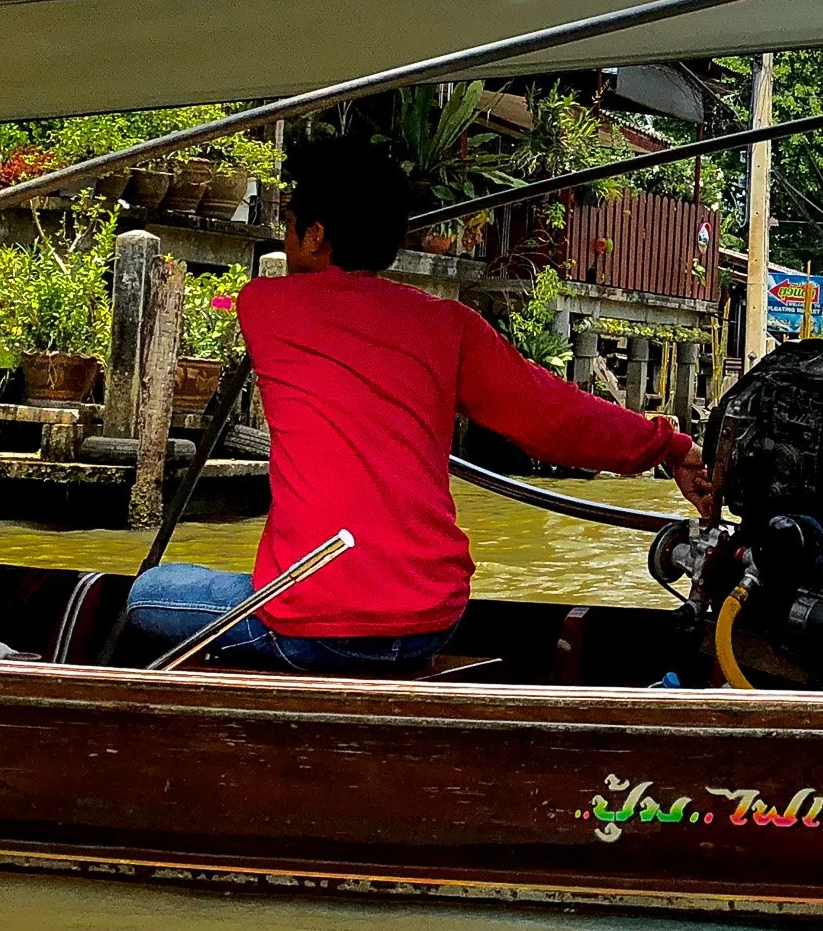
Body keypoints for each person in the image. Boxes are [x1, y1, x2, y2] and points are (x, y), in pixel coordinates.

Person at [125, 134, 709, 673]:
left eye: (290, 223)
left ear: (314, 235)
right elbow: (553, 416)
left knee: (144, 594)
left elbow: (265, 295)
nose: (285, 235)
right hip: (432, 618)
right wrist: (669, 444)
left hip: (311, 626)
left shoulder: (264, 307)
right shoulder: (448, 324)